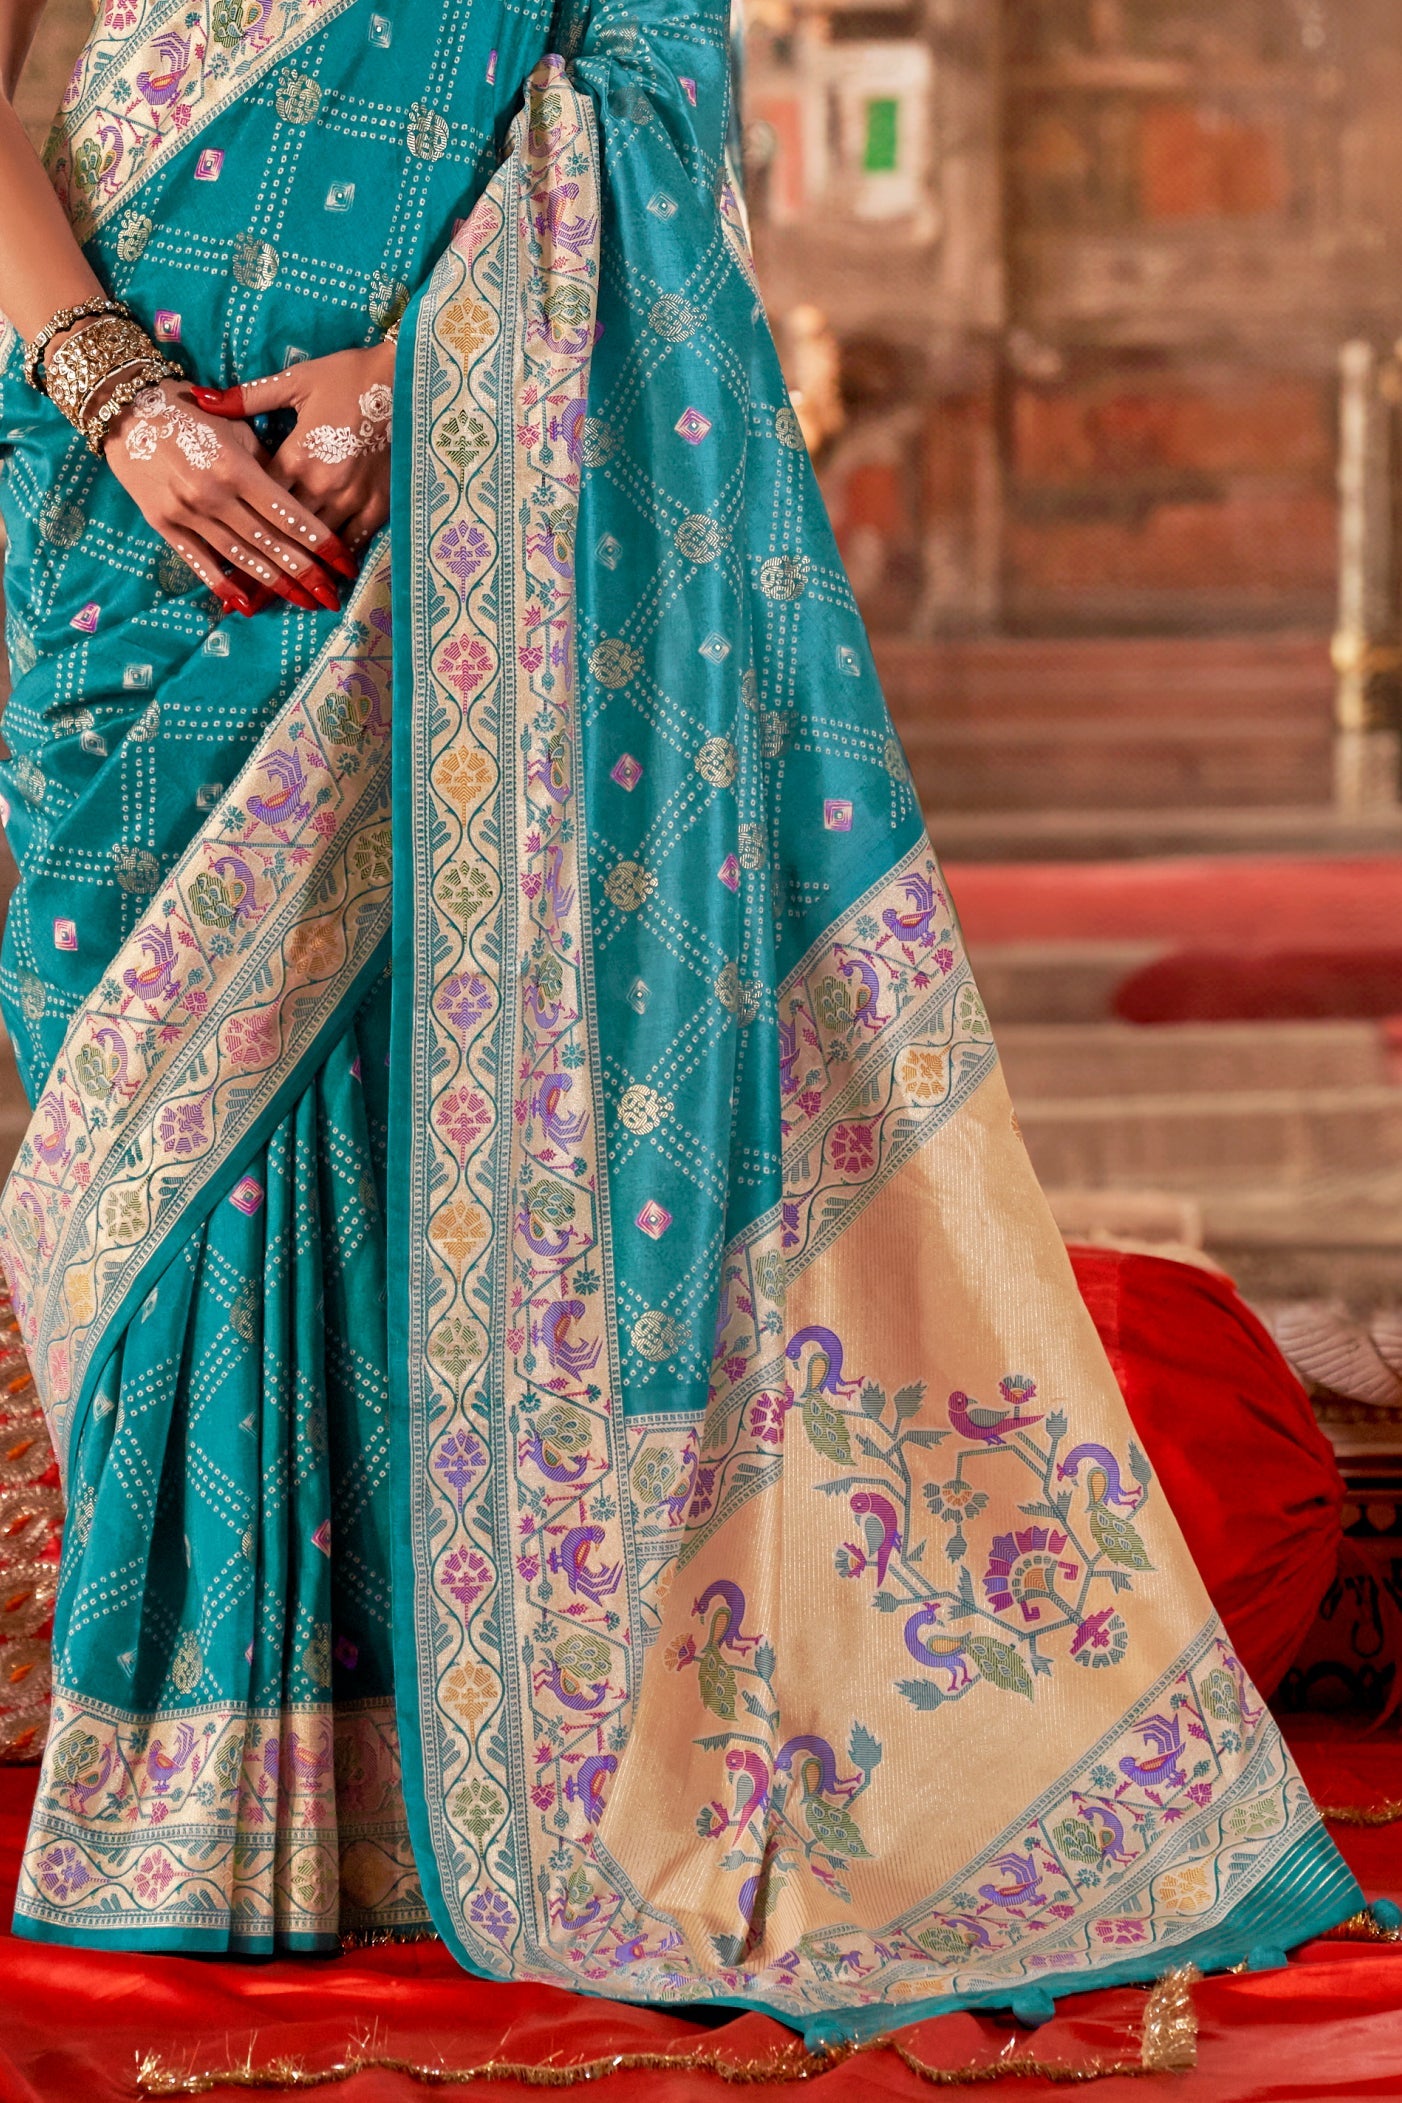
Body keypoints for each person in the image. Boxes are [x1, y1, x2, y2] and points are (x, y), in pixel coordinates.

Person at [0, 0, 1363, 2046]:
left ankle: (396, 1766)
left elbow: (640, 95)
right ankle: (196, 1771)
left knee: (396, 1111)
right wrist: (120, 401)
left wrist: (433, 383)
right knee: (150, 1136)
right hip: (107, 491)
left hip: (435, 481)